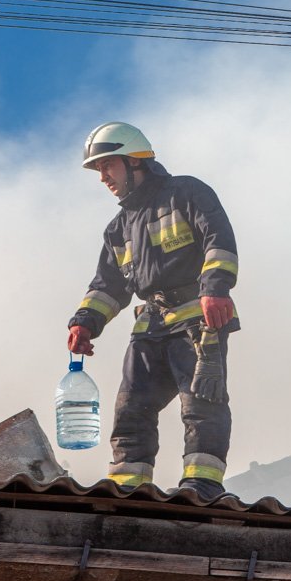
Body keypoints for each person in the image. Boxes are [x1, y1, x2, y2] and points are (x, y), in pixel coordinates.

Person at [67, 122, 240, 500]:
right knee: (131, 411)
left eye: (107, 167)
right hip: (150, 328)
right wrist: (85, 323)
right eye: (98, 170)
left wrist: (215, 290)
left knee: (201, 405)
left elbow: (219, 243)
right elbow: (108, 286)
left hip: (198, 321)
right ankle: (127, 488)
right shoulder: (119, 228)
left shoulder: (186, 193)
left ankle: (201, 485)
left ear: (134, 161)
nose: (103, 178)